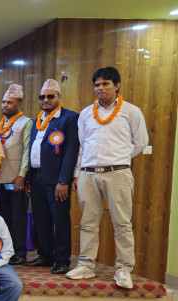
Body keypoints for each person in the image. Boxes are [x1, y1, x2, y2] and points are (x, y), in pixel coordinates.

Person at [67, 67, 149, 289]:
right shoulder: (86, 113)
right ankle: (86, 265)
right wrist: (77, 174)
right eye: (97, 84)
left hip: (118, 173)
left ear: (117, 85)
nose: (100, 88)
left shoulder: (131, 111)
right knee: (88, 223)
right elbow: (82, 146)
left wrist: (119, 157)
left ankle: (124, 268)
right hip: (88, 174)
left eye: (106, 84)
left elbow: (141, 142)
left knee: (122, 223)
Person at [26, 79, 79, 274]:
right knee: (41, 219)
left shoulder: (70, 118)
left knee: (60, 219)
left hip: (57, 180)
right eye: (42, 97)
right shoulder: (38, 120)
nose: (46, 100)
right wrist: (28, 179)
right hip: (37, 177)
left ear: (59, 97)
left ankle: (62, 260)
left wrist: (64, 180)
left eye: (50, 96)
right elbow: (33, 149)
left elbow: (71, 151)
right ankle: (45, 255)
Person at [0, 84, 34, 266]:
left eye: (9, 102)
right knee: (3, 217)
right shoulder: (1, 123)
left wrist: (22, 175)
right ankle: (7, 252)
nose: (5, 105)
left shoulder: (26, 122)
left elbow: (27, 150)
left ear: (19, 104)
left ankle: (20, 253)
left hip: (15, 178)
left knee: (18, 217)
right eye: (3, 102)